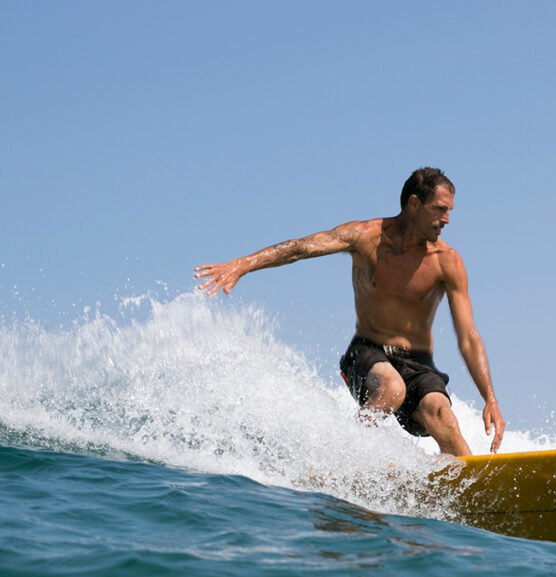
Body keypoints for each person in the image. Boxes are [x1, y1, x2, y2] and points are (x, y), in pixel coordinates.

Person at [194, 167, 505, 457]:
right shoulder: (365, 236)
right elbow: (302, 247)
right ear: (414, 204)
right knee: (391, 388)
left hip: (417, 364)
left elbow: (468, 337)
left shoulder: (447, 261)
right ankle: (346, 460)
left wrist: (489, 397)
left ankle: (473, 491)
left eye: (450, 210)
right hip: (368, 354)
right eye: (440, 209)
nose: (448, 219)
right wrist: (243, 264)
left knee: (443, 415)